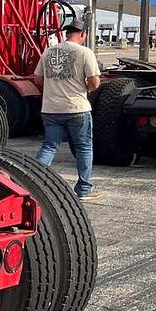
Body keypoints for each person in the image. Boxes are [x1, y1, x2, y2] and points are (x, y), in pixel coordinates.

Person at [33, 19, 102, 199]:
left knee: (49, 146)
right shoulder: (85, 52)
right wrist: (84, 89)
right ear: (83, 34)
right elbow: (94, 82)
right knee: (84, 147)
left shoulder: (48, 52)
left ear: (66, 33)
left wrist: (53, 90)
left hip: (50, 108)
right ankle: (84, 189)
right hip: (76, 108)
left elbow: (37, 80)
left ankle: (31, 182)